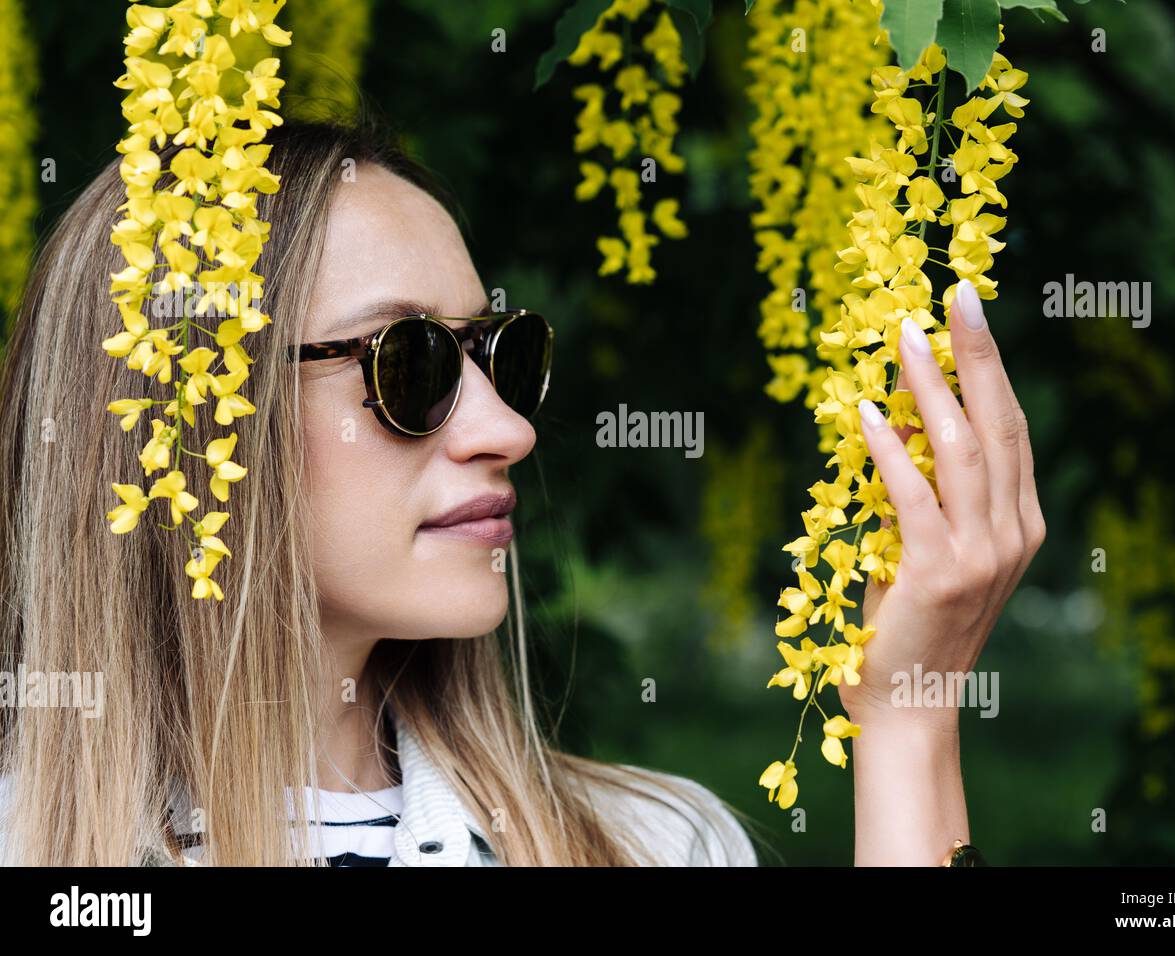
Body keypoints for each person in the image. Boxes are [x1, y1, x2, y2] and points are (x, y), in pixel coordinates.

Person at [0, 116, 1042, 867]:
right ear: (181, 415)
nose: (507, 429)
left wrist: (909, 724)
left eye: (504, 354)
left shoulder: (655, 845)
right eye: (410, 364)